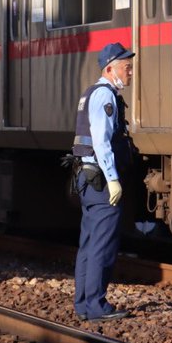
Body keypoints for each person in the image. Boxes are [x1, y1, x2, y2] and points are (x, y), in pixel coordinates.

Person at [71, 41, 136, 321]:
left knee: (88, 244)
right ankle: (96, 305)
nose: (130, 72)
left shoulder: (90, 93)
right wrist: (113, 180)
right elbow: (102, 142)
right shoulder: (106, 96)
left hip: (87, 178)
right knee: (102, 245)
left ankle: (84, 304)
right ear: (110, 69)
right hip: (100, 181)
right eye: (126, 67)